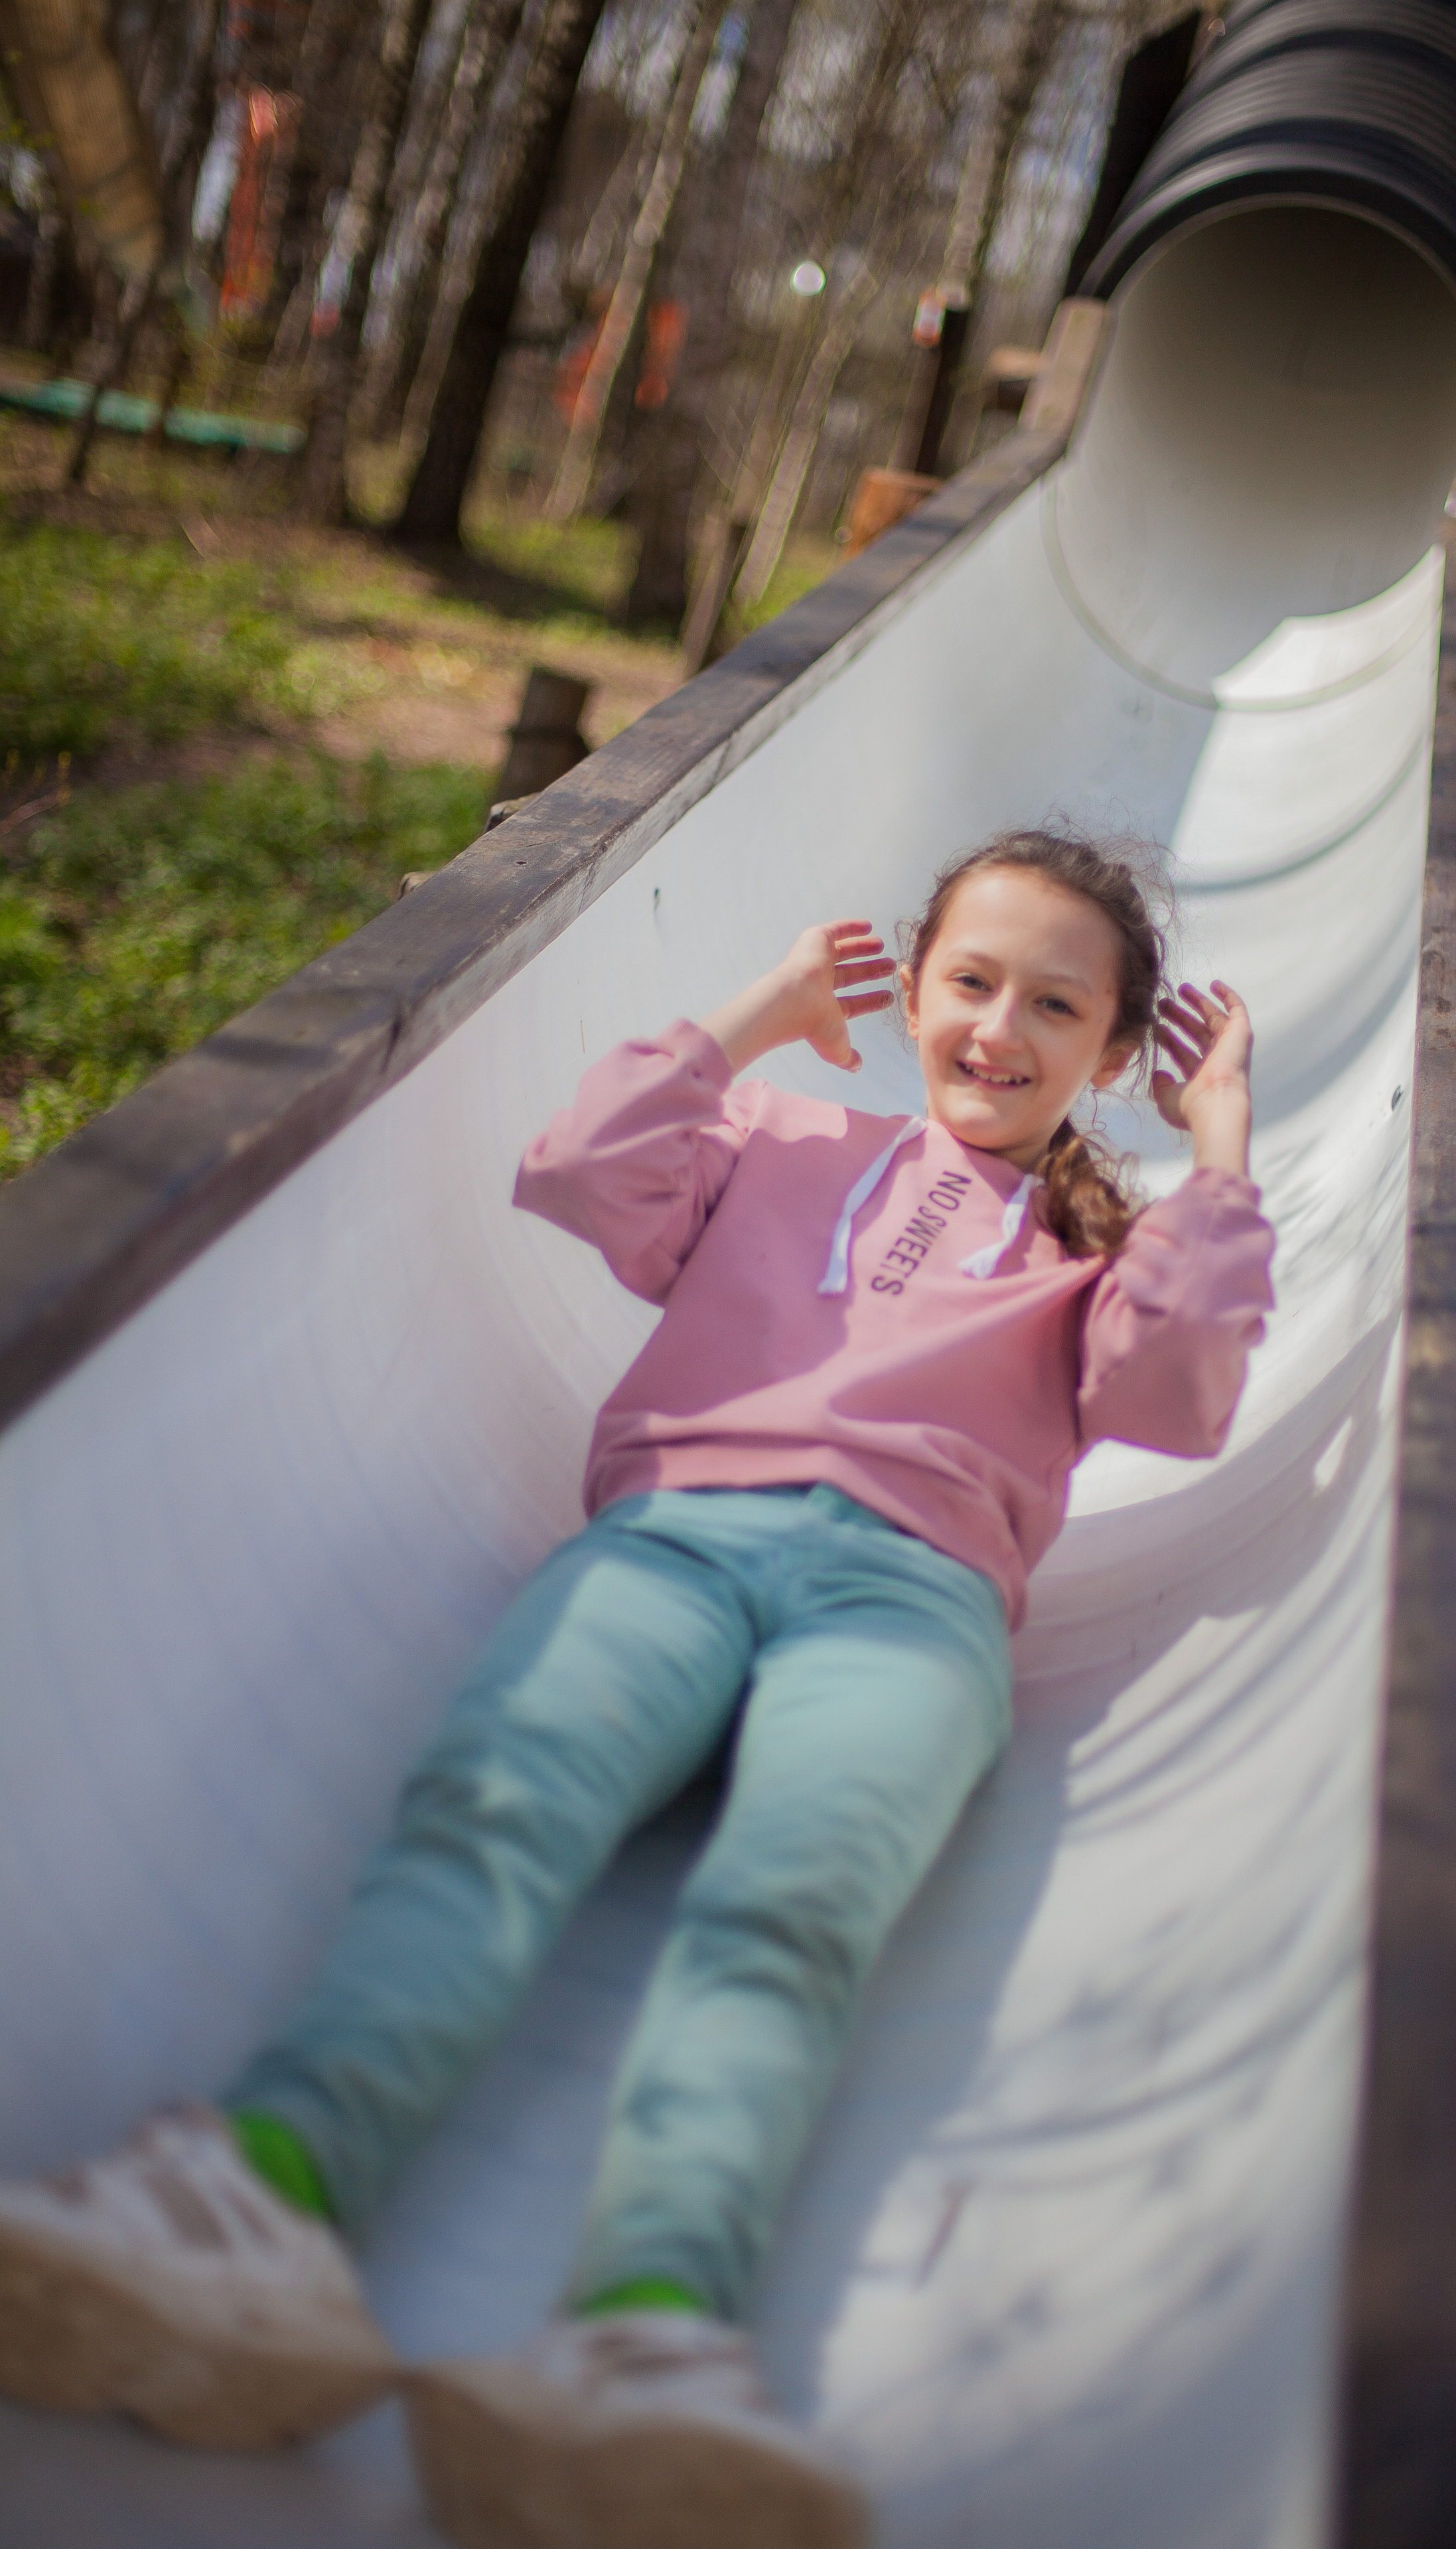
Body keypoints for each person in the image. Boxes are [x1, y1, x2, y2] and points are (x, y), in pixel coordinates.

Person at [0, 829, 1275, 2549]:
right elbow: (579, 1168)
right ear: (911, 993)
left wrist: (1220, 1150)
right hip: (679, 1532)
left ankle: (651, 2338)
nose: (1000, 1027)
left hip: (911, 1599)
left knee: (789, 1913)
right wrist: (747, 1028)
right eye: (971, 983)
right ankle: (257, 2194)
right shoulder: (786, 1138)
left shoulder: (1090, 1257)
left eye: (1057, 1006)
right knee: (500, 1800)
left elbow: (1187, 1388)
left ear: (1112, 1056)